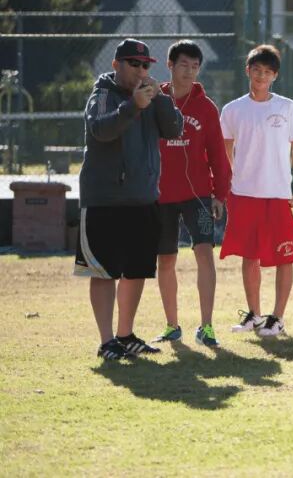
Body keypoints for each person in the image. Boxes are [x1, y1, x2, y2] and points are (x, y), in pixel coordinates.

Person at [75, 38, 183, 360]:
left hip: (143, 198)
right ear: (116, 65)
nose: (139, 70)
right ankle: (107, 341)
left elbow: (174, 130)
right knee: (105, 272)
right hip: (104, 200)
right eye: (133, 64)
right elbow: (102, 131)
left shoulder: (152, 96)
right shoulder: (103, 95)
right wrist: (133, 105)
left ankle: (125, 335)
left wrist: (160, 98)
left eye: (144, 65)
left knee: (136, 271)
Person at [220, 44, 293, 338]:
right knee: (249, 256)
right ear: (248, 71)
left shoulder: (287, 107)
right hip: (244, 194)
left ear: (275, 76)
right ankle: (255, 316)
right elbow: (225, 149)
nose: (261, 76)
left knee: (285, 255)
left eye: (267, 72)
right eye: (256, 70)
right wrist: (232, 178)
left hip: (277, 194)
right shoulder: (233, 109)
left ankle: (278, 318)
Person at [153, 40, 231, 348]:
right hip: (160, 195)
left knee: (204, 255)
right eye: (183, 64)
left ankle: (207, 326)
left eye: (195, 66)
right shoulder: (155, 101)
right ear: (170, 65)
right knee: (166, 260)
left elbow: (218, 155)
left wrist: (220, 194)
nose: (189, 71)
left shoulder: (207, 107)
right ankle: (172, 326)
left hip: (198, 194)